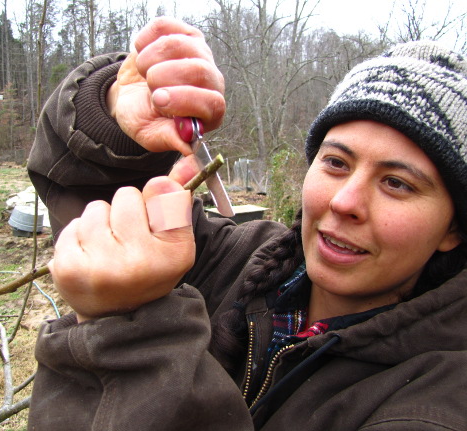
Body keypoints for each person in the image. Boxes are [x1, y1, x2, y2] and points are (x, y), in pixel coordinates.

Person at [26, 17, 467, 430]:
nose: (344, 200)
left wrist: (131, 333)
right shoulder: (240, 257)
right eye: (335, 162)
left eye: (396, 183)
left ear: (453, 229)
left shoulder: (439, 400)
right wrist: (116, 123)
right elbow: (91, 205)